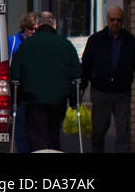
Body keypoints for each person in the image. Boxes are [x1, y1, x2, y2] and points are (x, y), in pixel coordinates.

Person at [9, 11, 81, 152]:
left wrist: (17, 98)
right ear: (54, 24)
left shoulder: (27, 45)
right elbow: (77, 74)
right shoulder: (65, 45)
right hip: (58, 100)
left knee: (36, 137)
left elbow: (15, 74)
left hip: (33, 100)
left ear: (38, 24)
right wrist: (73, 100)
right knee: (53, 134)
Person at [79, 6, 135, 153]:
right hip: (101, 91)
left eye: (119, 20)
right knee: (99, 131)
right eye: (112, 19)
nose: (115, 23)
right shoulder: (96, 40)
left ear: (123, 21)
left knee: (123, 131)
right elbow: (86, 65)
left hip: (122, 92)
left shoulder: (131, 42)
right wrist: (81, 86)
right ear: (107, 20)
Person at [7, 12, 37, 153]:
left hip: (33, 90)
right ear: (24, 27)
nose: (33, 32)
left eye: (35, 29)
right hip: (17, 90)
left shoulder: (38, 43)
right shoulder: (13, 41)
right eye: (30, 28)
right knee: (19, 127)